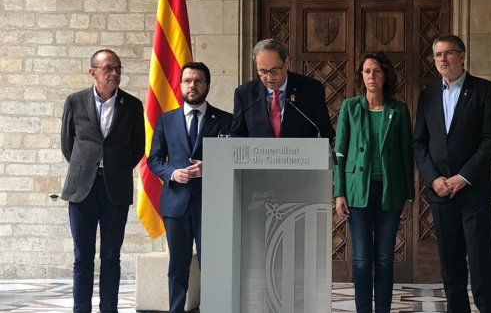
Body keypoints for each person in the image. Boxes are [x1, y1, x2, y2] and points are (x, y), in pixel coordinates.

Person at [413, 34, 491, 313]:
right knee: (450, 263)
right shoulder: (428, 94)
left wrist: (463, 177)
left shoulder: (485, 90)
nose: (442, 59)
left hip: (474, 191)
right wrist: (434, 178)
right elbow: (419, 142)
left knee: (481, 260)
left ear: (462, 56)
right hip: (441, 193)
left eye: (448, 53)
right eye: (437, 54)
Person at [60, 49, 145, 313]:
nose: (114, 73)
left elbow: (137, 148)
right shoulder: (75, 101)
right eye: (108, 68)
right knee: (82, 258)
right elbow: (68, 145)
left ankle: (110, 309)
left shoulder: (132, 105)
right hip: (82, 189)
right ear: (93, 72)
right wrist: (86, 167)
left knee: (111, 257)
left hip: (114, 190)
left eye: (118, 68)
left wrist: (115, 169)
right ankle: (81, 309)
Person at [147, 61, 232, 313]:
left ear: (207, 85)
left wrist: (212, 166)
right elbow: (153, 160)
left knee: (212, 265)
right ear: (180, 84)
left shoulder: (226, 120)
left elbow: (235, 157)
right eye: (187, 81)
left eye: (198, 81)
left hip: (212, 204)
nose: (192, 85)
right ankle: (176, 309)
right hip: (176, 204)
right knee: (178, 266)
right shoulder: (166, 120)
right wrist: (172, 173)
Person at [334, 52, 414, 313]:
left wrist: (408, 197)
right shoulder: (350, 107)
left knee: (383, 259)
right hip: (358, 191)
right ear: (361, 76)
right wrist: (339, 192)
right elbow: (340, 151)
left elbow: (406, 155)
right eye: (367, 71)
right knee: (360, 260)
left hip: (390, 192)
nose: (371, 76)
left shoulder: (399, 110)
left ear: (385, 75)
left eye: (376, 71)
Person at [230, 38, 334, 139]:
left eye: (274, 70)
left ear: (286, 64)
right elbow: (237, 135)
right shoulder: (244, 94)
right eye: (263, 72)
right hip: (259, 155)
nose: (269, 78)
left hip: (300, 155)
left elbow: (325, 132)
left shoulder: (311, 89)